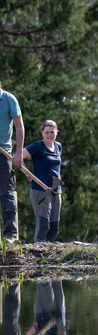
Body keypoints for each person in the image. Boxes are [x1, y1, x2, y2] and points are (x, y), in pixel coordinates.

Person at [22, 120, 63, 242]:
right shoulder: (38, 146)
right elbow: (18, 157)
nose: (50, 134)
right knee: (44, 223)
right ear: (42, 133)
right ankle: (39, 249)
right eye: (47, 132)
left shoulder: (58, 146)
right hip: (40, 190)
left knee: (55, 224)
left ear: (56, 132)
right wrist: (27, 173)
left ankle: (50, 249)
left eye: (52, 132)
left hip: (56, 189)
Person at [0, 82, 25, 242]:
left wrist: (18, 153)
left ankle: (11, 235)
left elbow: (19, 126)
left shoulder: (9, 99)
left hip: (3, 154)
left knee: (7, 193)